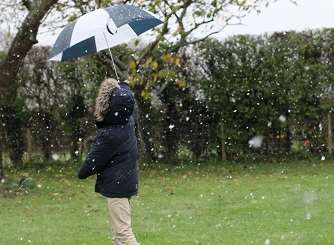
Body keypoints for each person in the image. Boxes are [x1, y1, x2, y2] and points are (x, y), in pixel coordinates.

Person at [78, 78, 139, 245]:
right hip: (125, 181)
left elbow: (90, 165)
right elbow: (125, 102)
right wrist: (124, 86)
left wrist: (82, 171)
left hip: (117, 186)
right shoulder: (128, 121)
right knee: (118, 233)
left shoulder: (110, 134)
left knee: (123, 233)